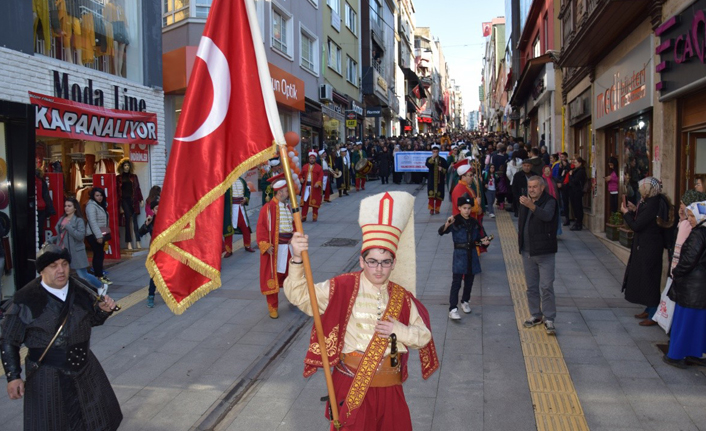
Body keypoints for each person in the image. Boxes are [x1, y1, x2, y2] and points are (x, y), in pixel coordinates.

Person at [284, 191, 439, 430]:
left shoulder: (402, 297)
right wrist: (296, 258)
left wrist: (399, 330)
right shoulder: (343, 286)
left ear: (393, 263)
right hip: (352, 382)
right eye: (372, 262)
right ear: (361, 261)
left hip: (390, 388)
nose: (379, 269)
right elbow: (300, 296)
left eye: (385, 262)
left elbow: (424, 336)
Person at [0, 243, 123, 430]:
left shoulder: (82, 288)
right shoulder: (25, 299)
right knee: (51, 422)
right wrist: (13, 376)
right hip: (47, 374)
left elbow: (91, 321)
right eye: (53, 266)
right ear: (42, 270)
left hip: (85, 368)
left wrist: (103, 311)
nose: (61, 270)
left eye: (64, 264)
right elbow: (9, 339)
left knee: (96, 420)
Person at [621, 177, 672, 325]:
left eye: (642, 188)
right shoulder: (649, 202)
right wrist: (633, 210)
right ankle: (649, 308)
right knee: (645, 277)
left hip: (650, 247)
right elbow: (643, 219)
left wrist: (625, 213)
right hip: (645, 245)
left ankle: (653, 313)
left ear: (647, 190)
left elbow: (637, 226)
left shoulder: (653, 204)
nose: (639, 190)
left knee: (650, 278)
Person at [663, 200, 706, 368]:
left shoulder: (698, 233)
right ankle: (694, 353)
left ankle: (674, 355)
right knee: (698, 324)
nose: (690, 219)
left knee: (684, 323)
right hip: (701, 287)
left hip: (691, 286)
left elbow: (689, 259)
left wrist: (677, 271)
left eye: (692, 216)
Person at [439, 194, 490, 320]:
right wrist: (447, 224)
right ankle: (453, 308)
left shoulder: (474, 222)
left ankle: (465, 301)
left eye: (469, 208)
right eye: (464, 208)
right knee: (456, 282)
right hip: (459, 254)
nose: (467, 210)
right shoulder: (454, 220)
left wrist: (484, 241)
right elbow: (441, 232)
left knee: (469, 280)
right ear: (459, 208)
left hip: (472, 254)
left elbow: (478, 240)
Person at [519, 176, 559, 335]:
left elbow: (547, 216)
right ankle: (536, 314)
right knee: (531, 287)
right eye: (529, 187)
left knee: (546, 286)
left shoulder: (550, 202)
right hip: (527, 252)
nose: (531, 190)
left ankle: (549, 318)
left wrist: (532, 206)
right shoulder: (525, 202)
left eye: (535, 187)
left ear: (542, 188)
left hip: (545, 252)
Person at [256, 174, 295, 319]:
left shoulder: (288, 206)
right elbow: (261, 228)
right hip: (276, 249)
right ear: (279, 192)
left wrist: (295, 237)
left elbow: (293, 225)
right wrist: (265, 245)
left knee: (292, 275)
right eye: (286, 191)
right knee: (273, 277)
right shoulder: (267, 208)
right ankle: (273, 307)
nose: (288, 193)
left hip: (289, 248)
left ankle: (294, 299)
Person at [54, 197, 106, 293]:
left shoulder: (79, 220)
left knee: (83, 275)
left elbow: (80, 236)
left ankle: (101, 286)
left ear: (75, 208)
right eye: (65, 206)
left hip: (76, 252)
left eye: (69, 206)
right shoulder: (62, 219)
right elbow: (60, 235)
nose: (66, 208)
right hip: (63, 252)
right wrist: (51, 240)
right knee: (64, 273)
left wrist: (69, 227)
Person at [85, 187, 111, 285]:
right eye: (97, 195)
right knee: (98, 254)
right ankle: (98, 276)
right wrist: (98, 236)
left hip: (99, 233)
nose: (99, 197)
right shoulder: (91, 206)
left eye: (101, 195)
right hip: (94, 234)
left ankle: (99, 275)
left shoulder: (99, 205)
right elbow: (92, 222)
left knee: (99, 254)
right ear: (93, 196)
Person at [223, 176, 254, 257]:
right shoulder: (226, 182)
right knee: (229, 230)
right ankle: (228, 250)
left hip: (241, 207)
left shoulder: (242, 181)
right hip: (230, 209)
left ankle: (247, 245)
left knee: (245, 227)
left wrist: (246, 199)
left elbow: (247, 191)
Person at [116, 160, 144, 250]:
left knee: (135, 221)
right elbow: (116, 191)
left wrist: (140, 199)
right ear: (122, 167)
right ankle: (128, 242)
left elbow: (138, 188)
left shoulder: (134, 177)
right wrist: (119, 205)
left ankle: (138, 241)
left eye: (128, 165)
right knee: (127, 219)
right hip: (124, 200)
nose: (126, 167)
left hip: (133, 200)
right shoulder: (118, 178)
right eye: (125, 165)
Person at [140, 200, 160, 307]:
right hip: (155, 251)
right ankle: (151, 295)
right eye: (156, 208)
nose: (159, 210)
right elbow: (140, 233)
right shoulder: (151, 221)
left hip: (167, 250)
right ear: (152, 210)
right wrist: (146, 224)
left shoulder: (167, 220)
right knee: (154, 274)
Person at [300, 151, 324, 222]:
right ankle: (304, 216)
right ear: (308, 159)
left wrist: (318, 182)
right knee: (305, 202)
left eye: (313, 158)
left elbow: (321, 176)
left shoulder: (319, 167)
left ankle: (314, 216)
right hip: (306, 186)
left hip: (314, 187)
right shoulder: (305, 166)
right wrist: (301, 178)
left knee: (315, 202)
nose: (312, 160)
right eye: (310, 158)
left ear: (315, 159)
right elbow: (300, 174)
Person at [426, 145, 448, 214]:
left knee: (439, 195)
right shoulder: (429, 159)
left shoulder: (442, 160)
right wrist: (432, 158)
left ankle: (437, 208)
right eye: (434, 151)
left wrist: (442, 169)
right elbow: (428, 165)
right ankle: (431, 209)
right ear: (432, 152)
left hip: (440, 180)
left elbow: (446, 169)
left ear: (438, 152)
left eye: (436, 151)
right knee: (431, 195)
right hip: (431, 179)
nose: (435, 153)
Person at [542, 165, 563, 236]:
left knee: (556, 217)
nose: (547, 172)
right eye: (546, 170)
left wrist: (560, 185)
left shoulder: (554, 179)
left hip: (555, 201)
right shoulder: (541, 180)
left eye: (549, 170)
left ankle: (556, 231)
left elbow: (561, 185)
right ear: (543, 171)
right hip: (546, 202)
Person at [568, 157, 587, 231]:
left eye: (575, 162)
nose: (574, 164)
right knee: (575, 207)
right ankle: (577, 222)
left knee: (578, 207)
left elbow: (575, 181)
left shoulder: (581, 171)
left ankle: (579, 223)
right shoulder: (576, 170)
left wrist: (570, 175)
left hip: (577, 191)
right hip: (574, 191)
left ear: (580, 163)